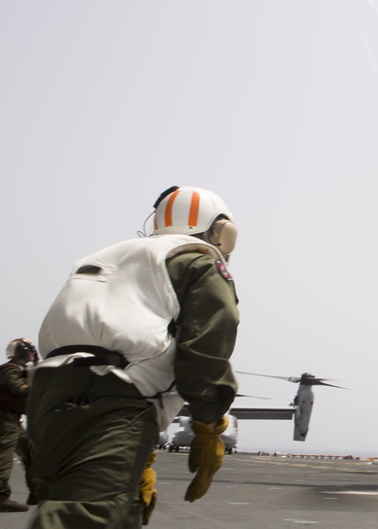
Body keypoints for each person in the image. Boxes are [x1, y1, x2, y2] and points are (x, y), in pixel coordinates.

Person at [27, 186, 241, 528]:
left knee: (114, 509)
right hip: (114, 397)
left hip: (46, 396)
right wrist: (208, 424)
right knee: (85, 515)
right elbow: (207, 349)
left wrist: (136, 449)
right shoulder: (198, 259)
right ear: (220, 229)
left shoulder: (110, 256)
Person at [0, 338, 38, 512]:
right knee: (4, 458)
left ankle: (37, 493)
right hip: (5, 420)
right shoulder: (9, 370)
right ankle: (1, 498)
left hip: (13, 420)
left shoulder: (22, 370)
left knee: (30, 453)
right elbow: (18, 388)